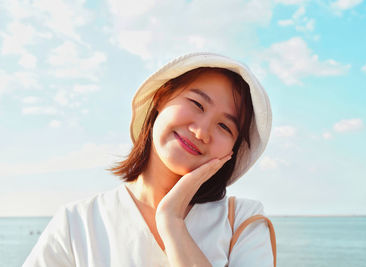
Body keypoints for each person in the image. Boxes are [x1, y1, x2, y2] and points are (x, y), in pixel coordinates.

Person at [23, 52, 274, 266]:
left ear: (232, 151)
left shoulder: (243, 221)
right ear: (161, 98)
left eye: (224, 127)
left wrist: (172, 221)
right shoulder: (77, 222)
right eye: (197, 104)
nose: (201, 132)